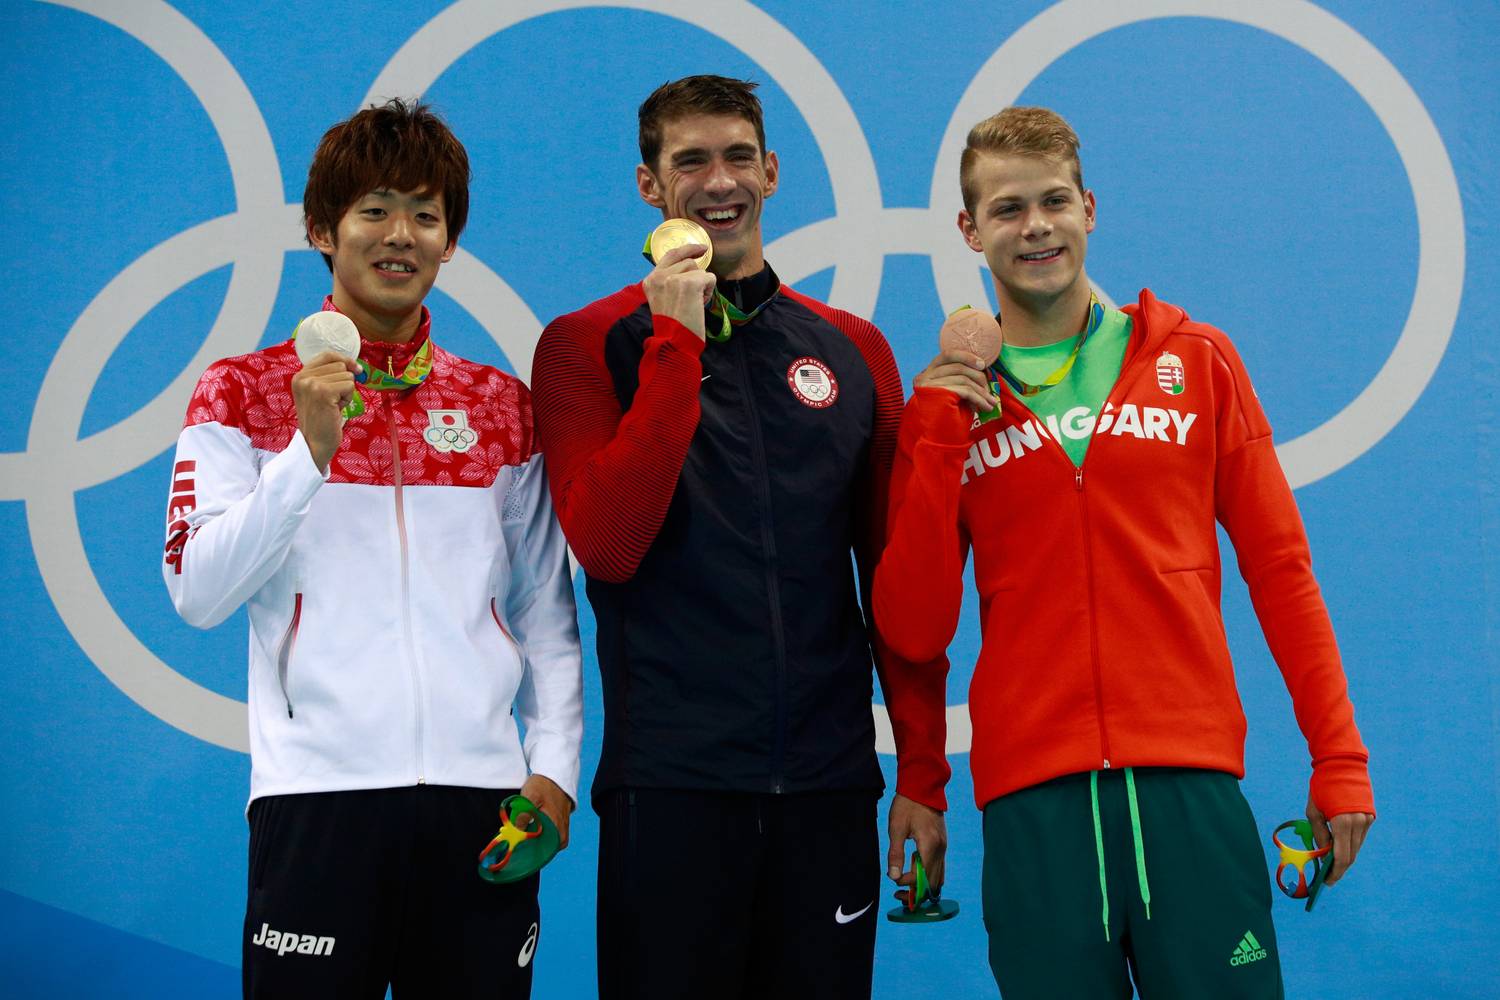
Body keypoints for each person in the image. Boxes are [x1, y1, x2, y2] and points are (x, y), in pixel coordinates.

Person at [872, 106, 1375, 998]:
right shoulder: (942, 412)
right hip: (1036, 807)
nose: (1036, 227)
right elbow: (912, 634)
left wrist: (1338, 760)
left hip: (1190, 789)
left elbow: (1281, 573)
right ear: (968, 229)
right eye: (1007, 209)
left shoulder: (1198, 361)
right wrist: (943, 438)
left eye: (1054, 201)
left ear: (1090, 207)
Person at [530, 75, 948, 998]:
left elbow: (893, 590)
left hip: (831, 790)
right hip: (672, 788)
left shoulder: (852, 349)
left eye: (736, 157)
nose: (718, 182)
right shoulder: (586, 344)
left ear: (772, 171)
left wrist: (921, 769)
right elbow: (608, 545)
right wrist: (675, 347)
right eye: (690, 162)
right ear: (650, 185)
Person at [161, 98, 582, 999]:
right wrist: (306, 456)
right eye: (376, 209)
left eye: (426, 214)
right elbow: (196, 590)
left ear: (450, 239)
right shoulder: (240, 393)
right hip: (317, 804)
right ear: (323, 227)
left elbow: (546, 614)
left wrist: (552, 770)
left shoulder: (501, 406)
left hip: (485, 807)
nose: (402, 235)